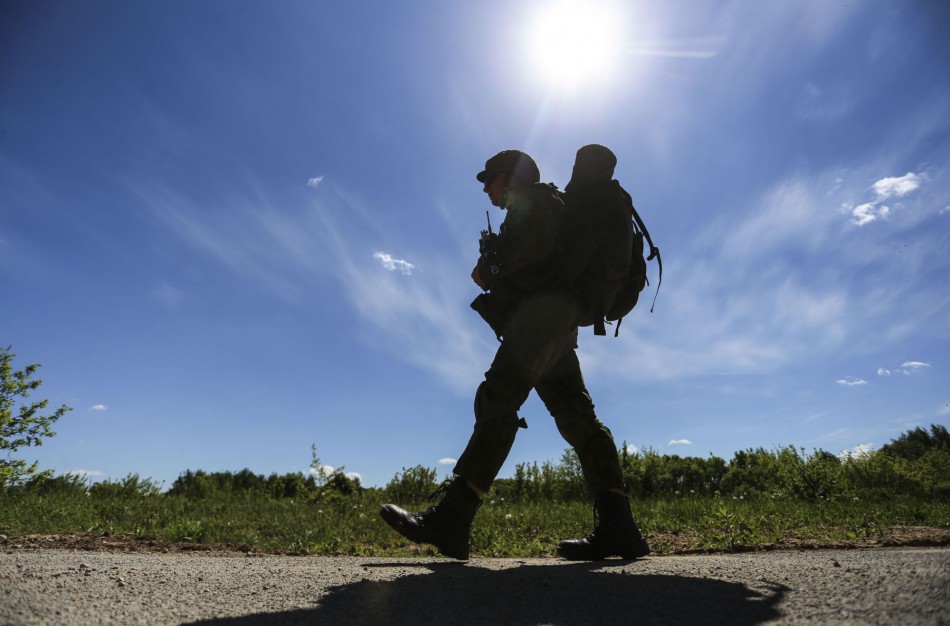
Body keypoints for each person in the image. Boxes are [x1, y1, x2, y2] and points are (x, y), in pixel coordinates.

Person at [380, 149, 649, 561]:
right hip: (556, 321)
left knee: (500, 395)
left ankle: (453, 517)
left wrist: (490, 268)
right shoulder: (549, 205)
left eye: (492, 179)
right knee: (577, 415)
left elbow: (531, 249)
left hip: (542, 320)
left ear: (513, 177)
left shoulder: (535, 200)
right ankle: (619, 526)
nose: (487, 188)